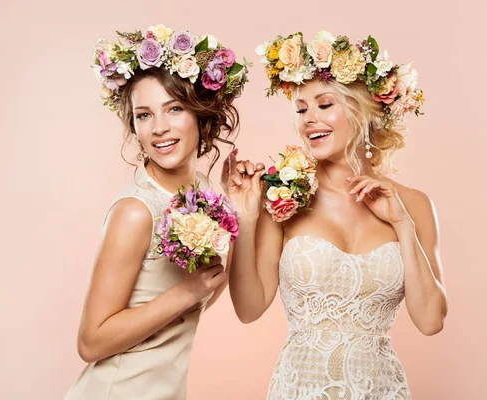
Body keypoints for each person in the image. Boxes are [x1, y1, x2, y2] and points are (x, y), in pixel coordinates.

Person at [223, 31, 447, 399]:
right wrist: (245, 218)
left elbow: (430, 321)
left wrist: (402, 225)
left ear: (361, 110)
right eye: (301, 109)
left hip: (382, 390)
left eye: (324, 105)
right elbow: (248, 308)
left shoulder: (414, 205)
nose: (309, 119)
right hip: (299, 390)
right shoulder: (281, 198)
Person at [64, 24, 249, 400]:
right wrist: (184, 292)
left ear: (201, 114)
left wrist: (239, 212)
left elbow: (206, 290)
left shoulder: (200, 192)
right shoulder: (135, 211)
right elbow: (91, 340)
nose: (159, 128)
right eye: (144, 115)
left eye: (174, 109)